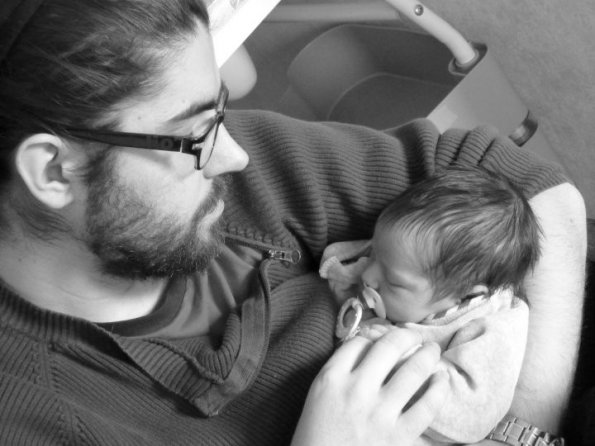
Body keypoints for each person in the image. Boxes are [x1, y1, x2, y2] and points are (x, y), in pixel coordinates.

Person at [0, 1, 586, 445]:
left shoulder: (249, 171)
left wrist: (519, 430)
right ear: (53, 170)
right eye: (196, 135)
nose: (235, 157)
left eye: (220, 110)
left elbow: (537, 190)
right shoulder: (39, 414)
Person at [319, 167, 541, 443]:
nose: (368, 275)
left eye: (394, 281)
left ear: (463, 296)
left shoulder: (493, 328)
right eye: (374, 253)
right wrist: (347, 285)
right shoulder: (403, 258)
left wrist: (396, 352)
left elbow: (470, 413)